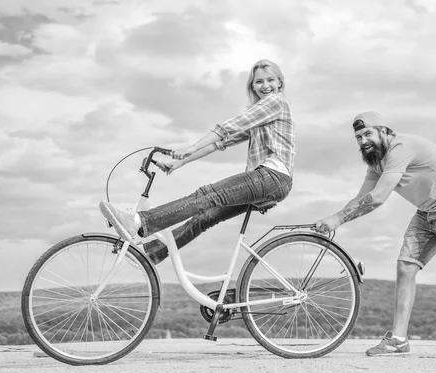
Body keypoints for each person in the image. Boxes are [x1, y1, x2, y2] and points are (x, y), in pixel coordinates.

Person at [314, 111, 436, 360]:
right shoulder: (376, 162)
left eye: (368, 133)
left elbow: (378, 197)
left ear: (384, 131)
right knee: (405, 267)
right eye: (358, 137)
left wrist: (338, 220)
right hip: (427, 210)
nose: (363, 140)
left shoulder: (400, 148)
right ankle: (398, 340)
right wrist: (334, 217)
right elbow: (361, 197)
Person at [99, 59, 295, 264]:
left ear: (280, 83)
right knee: (205, 216)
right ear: (252, 86)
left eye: (270, 80)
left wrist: (192, 146)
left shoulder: (275, 102)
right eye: (259, 82)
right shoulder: (263, 115)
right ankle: (151, 254)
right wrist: (182, 162)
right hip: (270, 182)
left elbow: (230, 127)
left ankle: (138, 220)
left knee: (206, 195)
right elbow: (220, 142)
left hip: (272, 176)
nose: (265, 86)